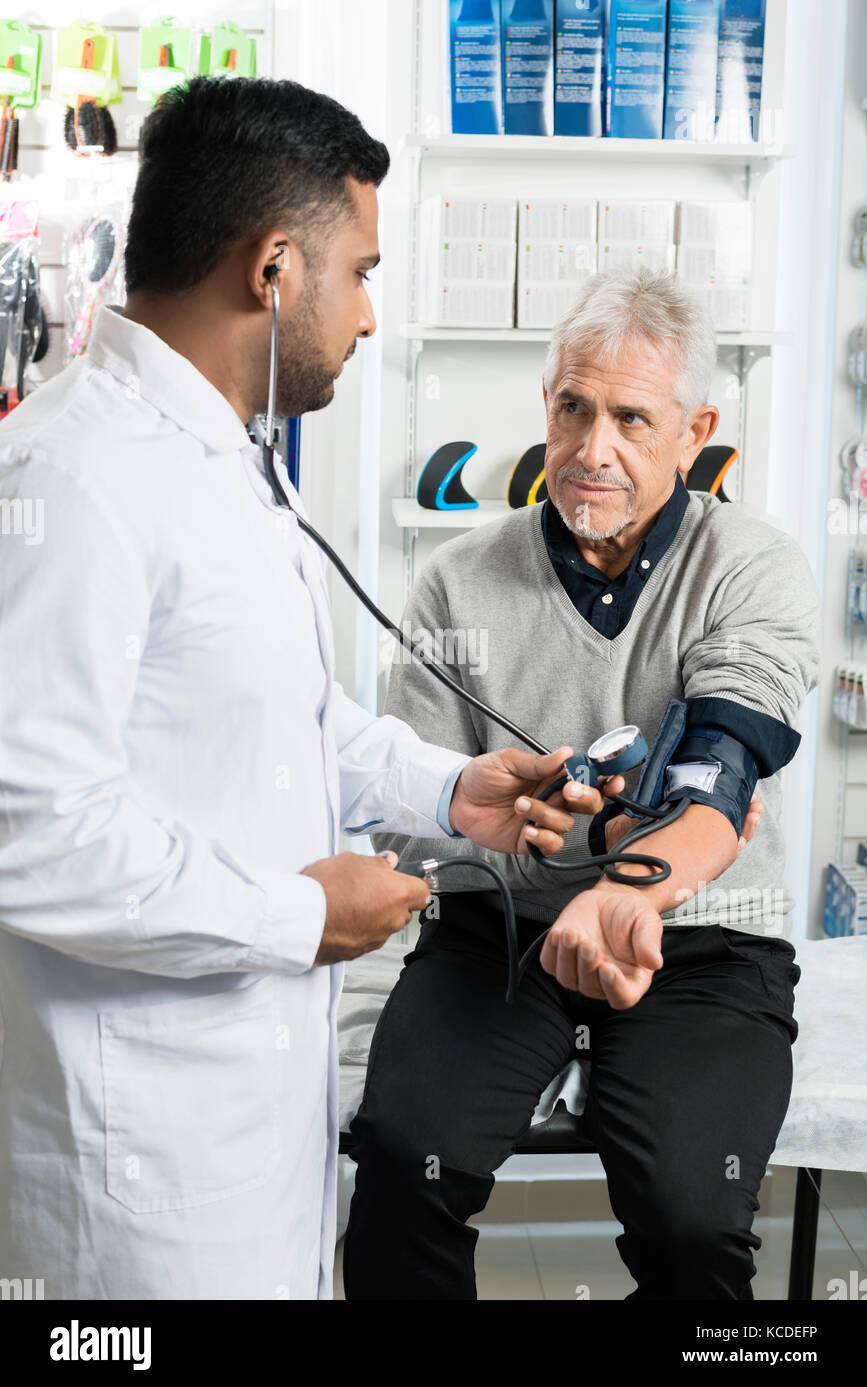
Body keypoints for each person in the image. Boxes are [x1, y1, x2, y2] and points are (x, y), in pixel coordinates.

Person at [0, 76, 598, 1301]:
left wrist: (454, 790)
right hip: (136, 1184)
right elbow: (29, 826)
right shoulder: (68, 477)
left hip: (251, 1139)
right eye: (361, 272)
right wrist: (295, 916)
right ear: (274, 268)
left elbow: (284, 721)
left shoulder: (227, 459)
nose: (369, 318)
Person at [343, 268, 821, 1301]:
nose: (592, 449)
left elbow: (720, 770)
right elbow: (407, 817)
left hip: (702, 945)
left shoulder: (751, 568)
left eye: (632, 419)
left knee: (695, 1216)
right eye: (574, 408)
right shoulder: (456, 582)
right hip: (502, 936)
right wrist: (506, 835)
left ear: (694, 430)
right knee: (400, 1164)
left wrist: (631, 889)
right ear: (546, 406)